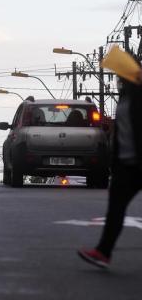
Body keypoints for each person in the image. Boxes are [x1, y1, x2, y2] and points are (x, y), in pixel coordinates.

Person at [77, 73, 142, 268]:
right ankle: (103, 252)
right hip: (124, 164)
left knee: (116, 208)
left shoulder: (139, 95)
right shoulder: (124, 96)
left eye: (121, 75)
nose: (117, 79)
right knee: (115, 209)